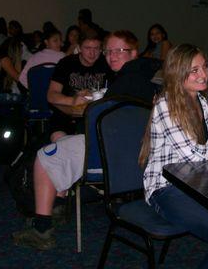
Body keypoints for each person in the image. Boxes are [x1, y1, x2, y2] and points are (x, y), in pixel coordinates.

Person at [12, 30, 159, 250]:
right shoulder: (147, 75)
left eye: (119, 50)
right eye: (109, 51)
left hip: (111, 155)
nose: (112, 56)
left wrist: (90, 107)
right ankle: (59, 204)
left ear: (134, 52)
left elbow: (102, 119)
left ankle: (41, 230)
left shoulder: (127, 81)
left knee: (45, 156)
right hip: (136, 154)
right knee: (61, 144)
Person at [139, 44, 208, 269]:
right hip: (166, 188)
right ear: (178, 74)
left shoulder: (202, 102)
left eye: (205, 67)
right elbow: (194, 155)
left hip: (198, 184)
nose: (204, 74)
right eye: (194, 70)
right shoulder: (166, 105)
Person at [46, 29, 112, 135]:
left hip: (97, 116)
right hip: (66, 115)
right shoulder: (66, 63)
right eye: (87, 48)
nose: (92, 53)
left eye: (96, 48)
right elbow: (51, 95)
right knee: (59, 139)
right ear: (79, 48)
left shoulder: (106, 63)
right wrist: (73, 101)